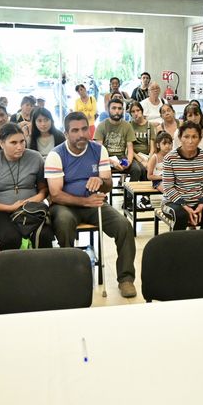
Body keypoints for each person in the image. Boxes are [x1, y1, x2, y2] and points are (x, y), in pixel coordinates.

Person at [45, 112, 138, 299]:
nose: (81, 134)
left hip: (94, 204)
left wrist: (100, 181)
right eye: (75, 130)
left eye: (84, 129)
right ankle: (69, 274)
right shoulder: (56, 155)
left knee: (124, 226)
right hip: (65, 205)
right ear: (66, 134)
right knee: (63, 222)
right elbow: (55, 195)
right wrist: (84, 201)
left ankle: (126, 279)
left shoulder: (98, 150)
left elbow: (108, 184)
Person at [0, 123, 53, 250]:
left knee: (44, 235)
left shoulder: (35, 158)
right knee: (11, 238)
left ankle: (41, 269)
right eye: (13, 143)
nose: (20, 147)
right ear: (2, 143)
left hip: (30, 210)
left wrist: (32, 200)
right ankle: (8, 268)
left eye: (22, 141)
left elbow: (44, 190)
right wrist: (9, 208)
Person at [161, 121, 203, 231]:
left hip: (198, 201)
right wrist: (185, 206)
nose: (190, 141)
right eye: (186, 137)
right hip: (173, 202)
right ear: (179, 137)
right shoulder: (170, 158)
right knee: (181, 216)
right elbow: (168, 187)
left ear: (200, 138)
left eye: (194, 137)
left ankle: (201, 245)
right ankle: (180, 247)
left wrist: (201, 204)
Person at [93, 98, 138, 181]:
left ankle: (129, 193)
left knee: (137, 169)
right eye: (114, 108)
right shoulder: (101, 126)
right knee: (95, 169)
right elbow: (98, 151)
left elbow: (130, 149)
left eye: (119, 108)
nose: (117, 111)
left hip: (122, 157)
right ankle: (103, 193)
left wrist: (128, 162)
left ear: (123, 110)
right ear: (108, 109)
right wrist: (112, 162)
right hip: (105, 158)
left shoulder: (127, 126)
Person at [128, 101, 155, 182]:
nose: (136, 113)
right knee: (140, 169)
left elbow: (152, 147)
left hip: (147, 155)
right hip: (134, 155)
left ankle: (145, 194)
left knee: (147, 169)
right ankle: (131, 192)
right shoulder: (129, 125)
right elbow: (129, 147)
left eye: (138, 110)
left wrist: (149, 159)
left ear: (142, 111)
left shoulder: (149, 126)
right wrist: (141, 160)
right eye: (133, 111)